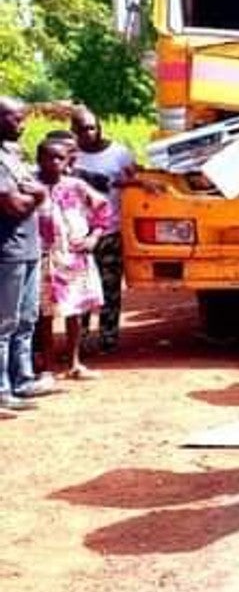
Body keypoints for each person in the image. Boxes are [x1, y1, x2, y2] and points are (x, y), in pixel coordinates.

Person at [34, 139, 110, 380]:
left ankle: (74, 362)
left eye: (60, 158)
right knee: (45, 314)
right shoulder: (31, 186)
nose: (54, 162)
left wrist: (94, 237)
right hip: (43, 257)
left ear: (68, 161)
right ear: (39, 160)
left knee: (74, 311)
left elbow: (103, 209)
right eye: (49, 157)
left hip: (74, 256)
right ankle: (47, 365)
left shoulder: (76, 186)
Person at [0, 97, 56, 410]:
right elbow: (16, 205)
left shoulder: (11, 156)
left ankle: (21, 380)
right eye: (16, 119)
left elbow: (27, 194)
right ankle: (2, 388)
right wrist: (40, 193)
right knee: (4, 322)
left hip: (28, 247)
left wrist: (33, 192)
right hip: (7, 251)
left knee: (26, 319)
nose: (23, 125)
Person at [71, 107, 135, 354]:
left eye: (92, 127)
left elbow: (133, 178)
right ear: (73, 131)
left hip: (109, 232)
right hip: (78, 235)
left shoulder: (119, 154)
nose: (89, 133)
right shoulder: (69, 155)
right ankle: (81, 336)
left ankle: (109, 338)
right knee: (80, 288)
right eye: (83, 129)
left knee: (110, 288)